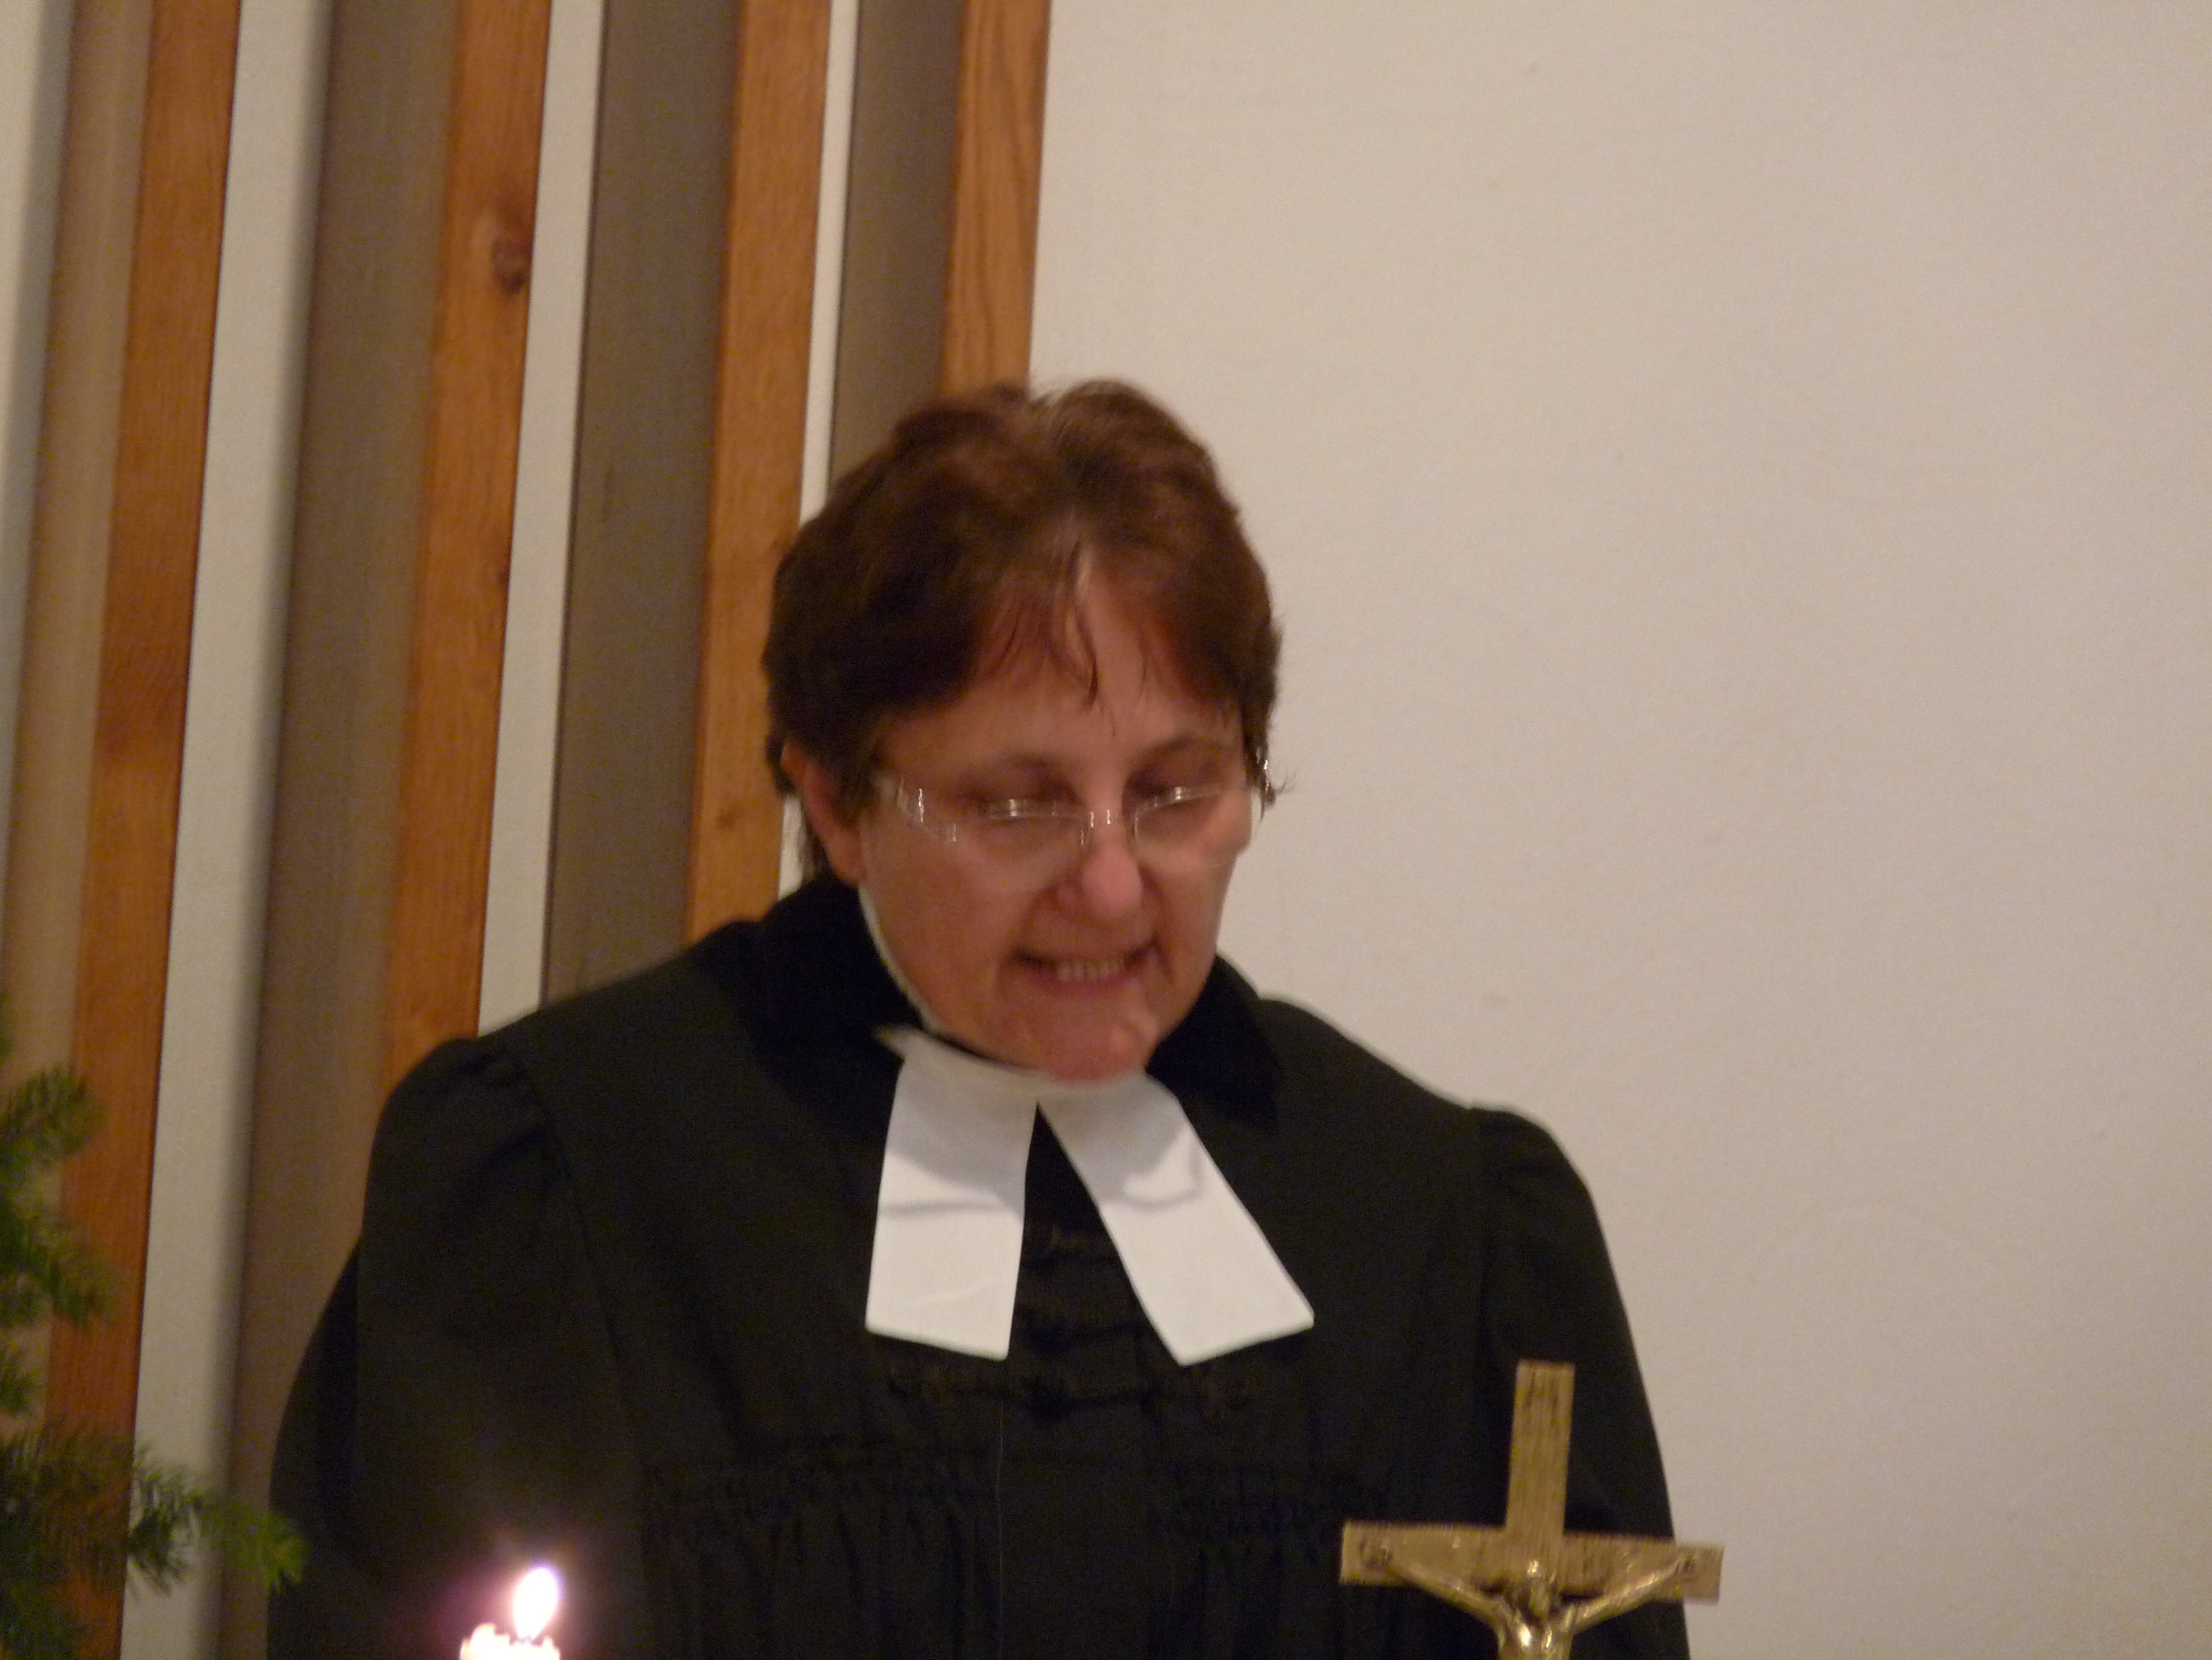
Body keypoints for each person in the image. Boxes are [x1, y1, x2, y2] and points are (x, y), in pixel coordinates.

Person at [270, 382, 1691, 1659]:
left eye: (1176, 791)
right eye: (1017, 804)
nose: (1114, 884)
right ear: (836, 801)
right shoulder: (571, 1186)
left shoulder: (1447, 1228)